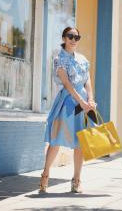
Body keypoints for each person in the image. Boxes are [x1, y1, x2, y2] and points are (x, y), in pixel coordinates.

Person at [39, 27, 96, 193]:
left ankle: (76, 180)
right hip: (67, 102)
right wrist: (82, 102)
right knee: (56, 139)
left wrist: (90, 99)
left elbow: (87, 81)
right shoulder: (59, 58)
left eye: (77, 37)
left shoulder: (83, 59)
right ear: (64, 38)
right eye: (70, 36)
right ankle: (45, 174)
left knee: (80, 142)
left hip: (83, 102)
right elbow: (67, 84)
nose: (73, 39)